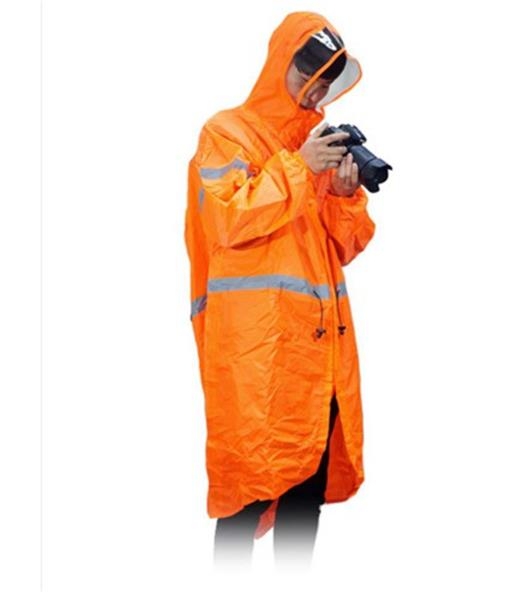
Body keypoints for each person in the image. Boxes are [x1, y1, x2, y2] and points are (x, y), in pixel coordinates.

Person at [184, 11, 375, 569]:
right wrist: (299, 168)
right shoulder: (226, 134)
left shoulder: (310, 144)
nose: (314, 90)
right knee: (247, 493)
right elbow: (227, 219)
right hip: (257, 358)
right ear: (280, 64)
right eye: (307, 74)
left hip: (317, 355)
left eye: (325, 81)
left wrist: (343, 194)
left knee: (304, 495)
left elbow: (345, 246)